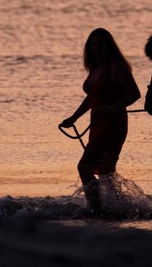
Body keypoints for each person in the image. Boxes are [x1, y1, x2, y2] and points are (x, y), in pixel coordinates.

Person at [60, 28, 140, 213]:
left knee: (84, 166)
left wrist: (115, 106)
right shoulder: (96, 68)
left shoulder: (117, 66)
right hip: (97, 123)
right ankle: (117, 208)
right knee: (105, 171)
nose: (97, 48)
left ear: (109, 45)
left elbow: (134, 93)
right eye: (93, 45)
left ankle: (97, 209)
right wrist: (74, 117)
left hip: (113, 124)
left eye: (100, 44)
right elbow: (91, 98)